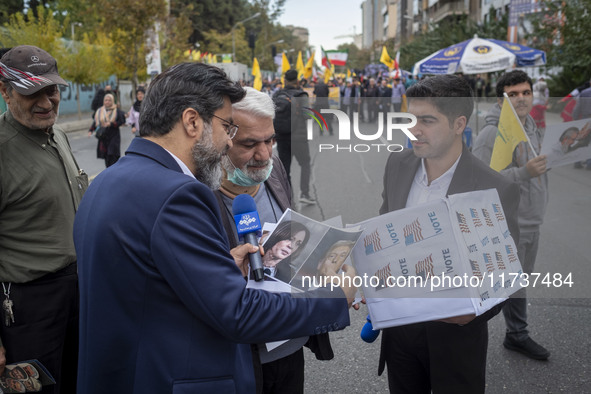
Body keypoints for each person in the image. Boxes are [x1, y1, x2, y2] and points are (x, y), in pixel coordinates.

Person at [74, 62, 356, 394]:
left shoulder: (104, 182)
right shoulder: (178, 194)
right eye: (227, 128)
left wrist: (220, 268)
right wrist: (334, 298)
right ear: (192, 121)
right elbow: (236, 313)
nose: (228, 141)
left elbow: (152, 288)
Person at [378, 74, 520, 393]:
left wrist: (477, 308)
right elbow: (385, 223)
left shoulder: (495, 187)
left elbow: (510, 271)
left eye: (427, 120)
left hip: (456, 340)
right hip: (400, 331)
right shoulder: (398, 164)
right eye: (411, 118)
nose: (414, 129)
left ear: (459, 124)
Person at [214, 87, 335, 393]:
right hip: (240, 361)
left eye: (269, 140)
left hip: (291, 345)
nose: (264, 154)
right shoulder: (196, 195)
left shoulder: (275, 170)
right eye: (250, 144)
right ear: (221, 139)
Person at [0, 45, 85, 394]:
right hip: (28, 308)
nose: (46, 102)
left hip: (78, 292)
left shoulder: (59, 136)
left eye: (51, 90)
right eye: (31, 92)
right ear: (4, 91)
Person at [473, 69, 550, 360]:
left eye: (525, 92)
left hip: (532, 220)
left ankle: (516, 335)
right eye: (513, 94)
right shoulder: (491, 133)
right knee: (496, 287)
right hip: (506, 224)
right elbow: (478, 182)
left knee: (517, 283)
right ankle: (456, 336)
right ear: (501, 99)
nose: (521, 99)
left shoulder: (531, 127)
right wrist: (523, 173)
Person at [273, 69, 316, 205]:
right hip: (298, 137)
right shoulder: (301, 95)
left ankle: (288, 198)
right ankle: (304, 193)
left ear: (284, 80)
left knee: (285, 169)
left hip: (282, 137)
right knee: (305, 164)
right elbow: (307, 115)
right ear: (297, 80)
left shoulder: (278, 94)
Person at [89, 93, 125, 167]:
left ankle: (114, 175)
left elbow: (121, 121)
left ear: (112, 101)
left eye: (109, 100)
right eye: (106, 100)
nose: (107, 102)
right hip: (104, 137)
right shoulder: (99, 111)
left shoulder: (117, 111)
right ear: (103, 101)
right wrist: (91, 130)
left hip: (114, 136)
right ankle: (109, 174)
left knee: (113, 156)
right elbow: (95, 122)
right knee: (106, 158)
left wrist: (111, 124)